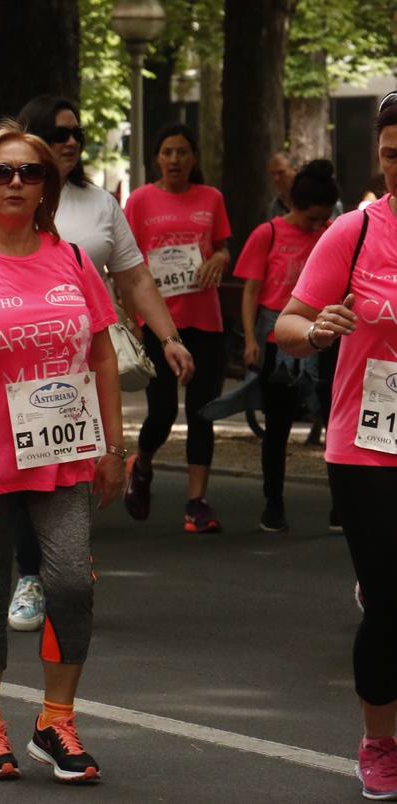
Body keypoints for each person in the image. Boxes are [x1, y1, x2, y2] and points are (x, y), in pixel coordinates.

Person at [0, 122, 123, 783]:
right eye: (1, 173)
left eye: (29, 173)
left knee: (70, 584)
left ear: (47, 188)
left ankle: (55, 722)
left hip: (62, 457)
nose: (15, 184)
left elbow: (100, 354)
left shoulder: (72, 262)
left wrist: (113, 446)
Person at [0, 96, 194, 631]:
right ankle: (32, 576)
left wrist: (168, 336)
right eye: (59, 134)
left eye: (76, 136)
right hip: (4, 375)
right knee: (20, 476)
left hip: (73, 365)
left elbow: (133, 277)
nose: (70, 144)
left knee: (61, 468)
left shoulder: (99, 205)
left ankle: (62, 566)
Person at [275, 102, 397, 802]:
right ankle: (379, 741)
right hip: (370, 445)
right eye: (389, 153)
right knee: (390, 605)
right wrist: (319, 330)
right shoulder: (352, 234)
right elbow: (288, 324)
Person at [123, 123, 232, 533]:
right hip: (159, 322)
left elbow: (222, 246)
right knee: (164, 411)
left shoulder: (211, 198)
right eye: (167, 152)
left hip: (205, 320)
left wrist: (220, 258)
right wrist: (134, 320)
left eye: (183, 152)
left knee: (203, 411)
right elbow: (126, 265)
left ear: (194, 158)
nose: (174, 160)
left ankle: (196, 501)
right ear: (157, 158)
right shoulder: (140, 201)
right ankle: (143, 461)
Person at [234, 159, 337, 532]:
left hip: (325, 338)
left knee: (334, 422)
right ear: (296, 206)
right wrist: (249, 339)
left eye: (324, 218)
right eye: (313, 218)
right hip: (278, 342)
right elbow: (252, 291)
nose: (317, 225)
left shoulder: (331, 234)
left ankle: (340, 505)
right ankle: (273, 503)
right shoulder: (269, 234)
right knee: (277, 427)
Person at [265, 152, 297, 220]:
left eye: (281, 172)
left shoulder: (308, 201)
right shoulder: (274, 207)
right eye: (273, 174)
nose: (276, 179)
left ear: (294, 170)